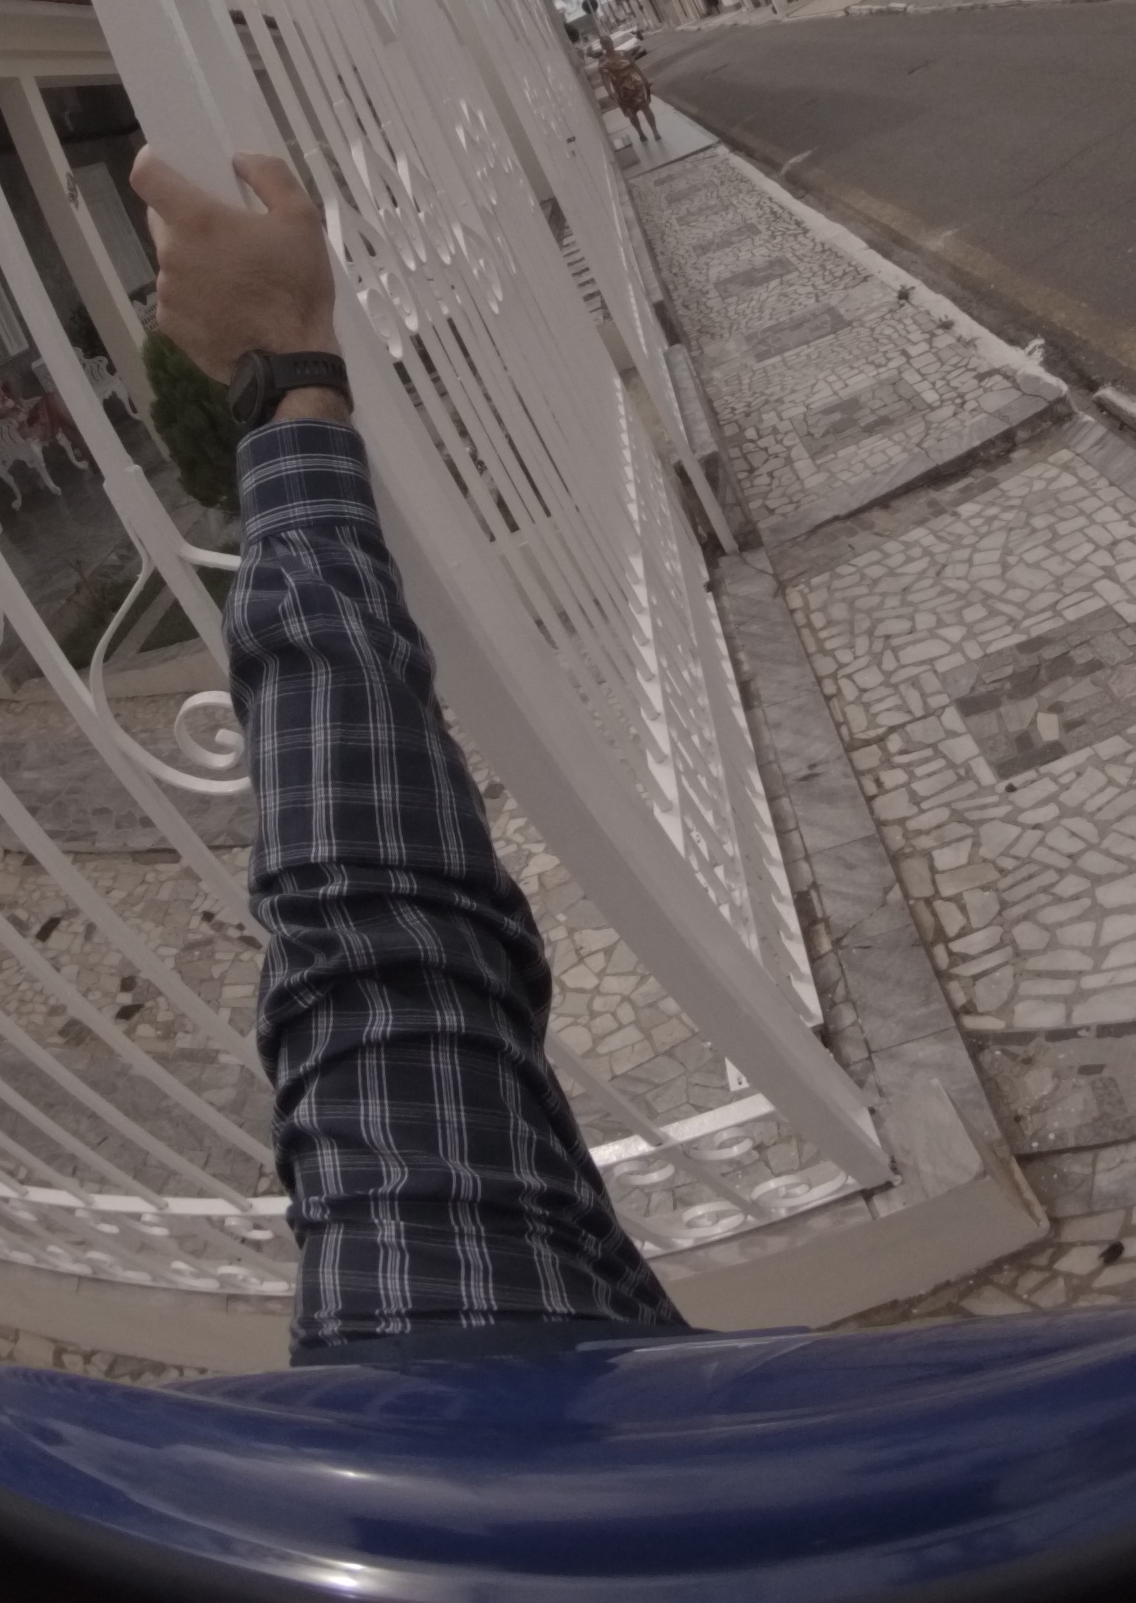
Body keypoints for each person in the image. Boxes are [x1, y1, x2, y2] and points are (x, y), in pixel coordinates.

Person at [125, 141, 691, 1365]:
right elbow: (374, 944)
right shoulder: (431, 1322)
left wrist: (281, 376)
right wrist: (289, 367)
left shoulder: (426, 1342)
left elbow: (377, 959)